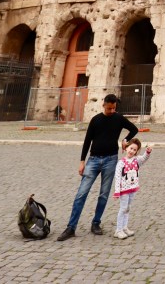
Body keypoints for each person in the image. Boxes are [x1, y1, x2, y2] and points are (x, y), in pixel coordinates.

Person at [57, 94, 138, 241]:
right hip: (93, 160)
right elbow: (87, 141)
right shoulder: (96, 120)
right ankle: (71, 227)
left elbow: (134, 129)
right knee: (81, 193)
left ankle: (96, 223)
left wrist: (125, 140)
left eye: (114, 108)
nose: (112, 111)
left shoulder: (119, 118)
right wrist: (82, 161)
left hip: (111, 160)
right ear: (103, 105)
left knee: (103, 195)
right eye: (109, 108)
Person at [112, 138, 152, 239]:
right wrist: (117, 191)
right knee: (123, 208)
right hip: (124, 190)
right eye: (131, 148)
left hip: (132, 189)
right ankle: (118, 230)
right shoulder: (121, 163)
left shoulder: (136, 160)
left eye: (134, 150)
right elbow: (117, 177)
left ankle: (125, 227)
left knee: (128, 208)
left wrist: (147, 152)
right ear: (126, 148)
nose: (132, 151)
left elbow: (144, 158)